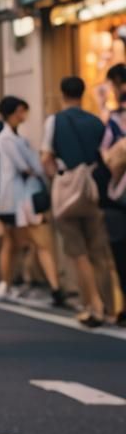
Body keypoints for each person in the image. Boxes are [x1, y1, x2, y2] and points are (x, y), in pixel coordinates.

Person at [41, 76, 116, 327]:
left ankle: (90, 305)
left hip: (68, 193)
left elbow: (46, 158)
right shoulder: (97, 122)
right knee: (99, 252)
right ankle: (109, 307)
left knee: (78, 253)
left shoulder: (55, 121)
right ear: (83, 94)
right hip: (94, 191)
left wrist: (57, 177)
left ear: (62, 93)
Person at [0, 96, 66, 307]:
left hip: (19, 199)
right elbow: (24, 165)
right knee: (23, 243)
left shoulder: (15, 138)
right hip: (20, 199)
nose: (24, 115)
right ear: (13, 112)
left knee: (14, 243)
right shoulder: (6, 139)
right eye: (21, 111)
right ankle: (49, 287)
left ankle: (9, 284)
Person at [99, 65, 126, 324]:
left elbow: (106, 156)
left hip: (118, 197)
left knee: (120, 252)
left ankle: (123, 305)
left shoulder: (114, 122)